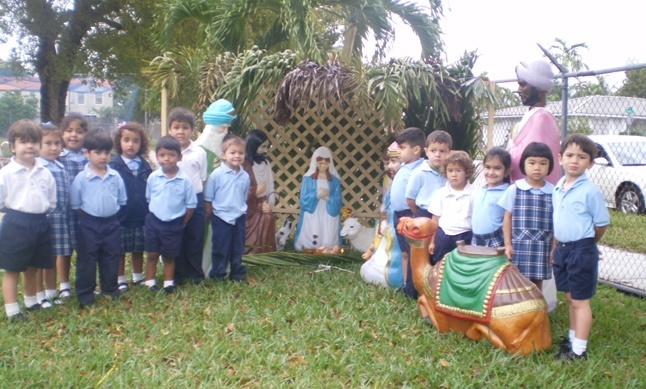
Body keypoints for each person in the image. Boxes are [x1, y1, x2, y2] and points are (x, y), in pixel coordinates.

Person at [552, 134, 609, 361]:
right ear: (560, 158)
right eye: (569, 155)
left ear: (590, 163)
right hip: (562, 249)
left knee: (580, 300)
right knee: (569, 297)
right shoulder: (558, 187)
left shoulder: (590, 192)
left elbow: (601, 224)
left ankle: (579, 351)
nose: (574, 161)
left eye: (582, 157)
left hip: (581, 250)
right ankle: (572, 338)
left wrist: (588, 244)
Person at [0, 120, 56, 321]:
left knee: (33, 267)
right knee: (13, 268)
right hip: (16, 223)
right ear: (13, 147)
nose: (30, 146)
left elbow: (51, 200)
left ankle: (31, 302)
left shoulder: (45, 172)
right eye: (23, 142)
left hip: (40, 222)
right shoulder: (6, 173)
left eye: (34, 141)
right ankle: (12, 310)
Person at [70, 129, 127, 308]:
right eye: (98, 152)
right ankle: (85, 293)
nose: (103, 157)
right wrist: (91, 215)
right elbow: (76, 205)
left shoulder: (115, 176)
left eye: (106, 153)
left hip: (111, 223)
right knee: (87, 259)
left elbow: (121, 199)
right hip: (89, 224)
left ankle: (110, 289)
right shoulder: (82, 178)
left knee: (111, 256)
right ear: (86, 153)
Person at [498, 142, 555, 290]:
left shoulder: (554, 192)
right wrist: (508, 244)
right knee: (516, 282)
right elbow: (507, 218)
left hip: (543, 246)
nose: (537, 167)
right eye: (532, 163)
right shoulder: (515, 189)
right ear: (524, 164)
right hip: (519, 245)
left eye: (543, 163)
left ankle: (537, 311)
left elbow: (557, 223)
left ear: (550, 166)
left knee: (537, 284)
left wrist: (554, 248)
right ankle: (517, 311)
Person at [144, 136, 197, 293]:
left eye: (171, 155)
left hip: (174, 223)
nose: (166, 159)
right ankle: (150, 282)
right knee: (152, 254)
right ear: (157, 157)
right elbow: (149, 198)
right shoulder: (153, 177)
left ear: (179, 157)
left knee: (169, 255)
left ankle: (168, 284)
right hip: (154, 222)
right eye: (162, 155)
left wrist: (183, 222)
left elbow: (191, 205)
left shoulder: (185, 181)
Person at [163, 108, 208, 285]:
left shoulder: (199, 152)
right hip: (173, 202)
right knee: (176, 238)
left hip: (195, 201)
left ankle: (195, 274)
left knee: (195, 237)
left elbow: (202, 178)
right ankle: (177, 274)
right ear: (169, 130)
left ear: (192, 130)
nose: (180, 131)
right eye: (176, 127)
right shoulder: (166, 152)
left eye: (185, 127)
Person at [109, 122, 152, 291]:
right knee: (120, 249)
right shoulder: (114, 166)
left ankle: (137, 276)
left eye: (135, 141)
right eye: (126, 140)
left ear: (141, 144)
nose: (131, 144)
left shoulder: (145, 166)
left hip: (141, 213)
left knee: (138, 248)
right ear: (119, 142)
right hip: (121, 215)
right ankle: (120, 279)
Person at [204, 134, 250, 281]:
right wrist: (209, 214)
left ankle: (237, 274)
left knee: (238, 248)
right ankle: (218, 275)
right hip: (221, 217)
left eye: (241, 153)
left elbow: (244, 196)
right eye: (233, 152)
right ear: (223, 155)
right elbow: (208, 198)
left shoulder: (245, 176)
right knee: (220, 248)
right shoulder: (217, 175)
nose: (237, 156)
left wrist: (241, 211)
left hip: (239, 217)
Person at [508, 60, 560, 185]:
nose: (519, 90)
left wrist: (510, 144)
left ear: (539, 88)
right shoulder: (534, 115)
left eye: (523, 85)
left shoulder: (542, 119)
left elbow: (525, 158)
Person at [35, 123, 70, 307]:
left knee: (54, 256)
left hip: (61, 218)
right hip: (45, 219)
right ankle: (39, 294)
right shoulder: (37, 168)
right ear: (38, 145)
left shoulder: (60, 166)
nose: (54, 147)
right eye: (48, 143)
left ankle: (51, 292)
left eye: (57, 143)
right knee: (42, 258)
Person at [389, 128, 425, 297]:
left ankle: (414, 288)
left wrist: (414, 214)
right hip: (397, 214)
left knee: (413, 253)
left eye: (402, 148)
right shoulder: (403, 167)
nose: (399, 152)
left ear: (416, 149)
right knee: (404, 252)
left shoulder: (421, 170)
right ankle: (405, 284)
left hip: (409, 214)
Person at [58, 112, 89, 301]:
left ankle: (85, 283)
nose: (73, 135)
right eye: (68, 131)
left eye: (79, 131)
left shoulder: (89, 158)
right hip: (64, 211)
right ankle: (64, 286)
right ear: (62, 134)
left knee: (86, 249)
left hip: (86, 211)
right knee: (65, 250)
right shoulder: (59, 158)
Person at [428, 151, 475, 266]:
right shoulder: (441, 193)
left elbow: (477, 218)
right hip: (444, 236)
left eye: (458, 170)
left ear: (466, 172)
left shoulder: (475, 193)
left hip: (466, 235)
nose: (454, 174)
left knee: (464, 266)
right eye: (450, 170)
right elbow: (435, 220)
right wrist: (432, 242)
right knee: (441, 266)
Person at [293, 146, 343, 251]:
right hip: (313, 211)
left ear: (330, 164)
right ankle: (309, 247)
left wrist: (327, 198)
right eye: (320, 163)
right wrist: (316, 196)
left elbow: (338, 200)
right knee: (313, 231)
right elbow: (303, 199)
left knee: (328, 235)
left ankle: (328, 247)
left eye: (326, 163)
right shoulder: (308, 179)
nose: (323, 166)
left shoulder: (334, 181)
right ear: (315, 163)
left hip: (328, 212)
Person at [243, 129, 276, 253]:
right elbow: (239, 192)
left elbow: (271, 187)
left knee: (267, 217)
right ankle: (249, 252)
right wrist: (255, 192)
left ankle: (264, 252)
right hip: (248, 207)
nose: (266, 151)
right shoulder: (244, 165)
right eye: (263, 147)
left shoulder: (266, 164)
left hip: (263, 203)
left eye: (267, 147)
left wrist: (269, 205)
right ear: (253, 145)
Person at [471, 147, 511, 248]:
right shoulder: (480, 190)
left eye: (497, 168)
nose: (491, 172)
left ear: (507, 171)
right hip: (475, 238)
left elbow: (509, 219)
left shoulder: (508, 192)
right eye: (487, 167)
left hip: (495, 239)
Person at [405, 130, 451, 218]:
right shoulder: (419, 173)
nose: (437, 155)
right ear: (426, 152)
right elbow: (410, 198)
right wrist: (418, 214)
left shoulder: (451, 174)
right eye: (433, 151)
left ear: (449, 152)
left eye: (442, 151)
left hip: (445, 214)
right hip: (425, 212)